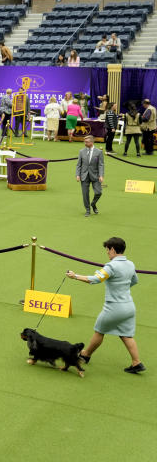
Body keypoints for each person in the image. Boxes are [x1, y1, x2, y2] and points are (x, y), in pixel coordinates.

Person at [66, 237, 145, 374]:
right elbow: (134, 281)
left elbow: (96, 279)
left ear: (113, 249)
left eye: (107, 250)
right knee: (126, 335)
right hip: (129, 307)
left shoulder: (111, 266)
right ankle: (136, 362)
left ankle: (85, 355)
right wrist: (122, 289)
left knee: (99, 331)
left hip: (114, 307)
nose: (107, 253)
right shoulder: (130, 264)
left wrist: (75, 276)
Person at [76, 134, 104, 216]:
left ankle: (93, 204)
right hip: (84, 175)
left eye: (87, 142)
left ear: (92, 142)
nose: (85, 143)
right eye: (84, 142)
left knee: (98, 192)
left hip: (95, 175)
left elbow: (101, 165)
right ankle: (87, 210)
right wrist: (77, 175)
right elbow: (79, 164)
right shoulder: (81, 151)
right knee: (85, 194)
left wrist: (101, 175)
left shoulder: (99, 152)